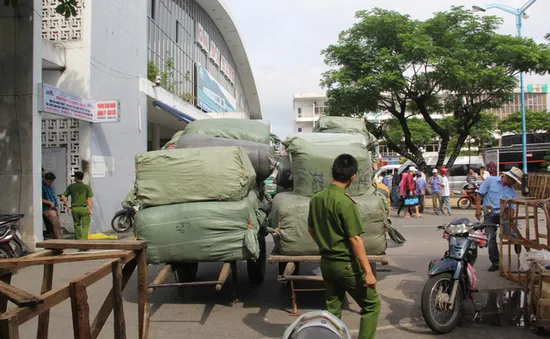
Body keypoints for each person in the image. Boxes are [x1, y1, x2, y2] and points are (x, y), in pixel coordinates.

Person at [308, 154, 380, 339]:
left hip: (327, 264)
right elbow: (355, 239)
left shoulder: (316, 198)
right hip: (346, 265)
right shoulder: (345, 202)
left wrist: (326, 245)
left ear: (332, 172)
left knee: (333, 309)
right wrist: (368, 272)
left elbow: (311, 228)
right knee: (371, 305)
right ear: (353, 177)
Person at [475, 166, 522, 272]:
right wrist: (478, 209)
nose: (514, 184)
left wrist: (511, 216)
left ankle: (516, 241)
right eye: (513, 181)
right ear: (508, 177)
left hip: (503, 214)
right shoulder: (490, 180)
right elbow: (479, 195)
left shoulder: (511, 189)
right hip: (490, 214)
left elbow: (512, 206)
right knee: (490, 238)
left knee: (508, 232)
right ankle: (495, 262)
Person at [61, 172, 94, 240]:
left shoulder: (71, 186)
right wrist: (90, 209)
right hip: (84, 208)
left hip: (75, 209)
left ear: (76, 178)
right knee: (85, 226)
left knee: (77, 225)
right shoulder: (87, 187)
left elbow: (63, 196)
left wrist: (68, 206)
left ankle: (78, 241)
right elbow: (89, 199)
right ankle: (84, 242)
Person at [42, 172, 63, 239]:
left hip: (53, 208)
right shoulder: (41, 186)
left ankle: (55, 244)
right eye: (49, 181)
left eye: (51, 182)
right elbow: (39, 198)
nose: (50, 183)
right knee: (55, 226)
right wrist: (49, 203)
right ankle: (59, 241)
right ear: (45, 179)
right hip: (47, 209)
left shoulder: (50, 187)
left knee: (53, 227)